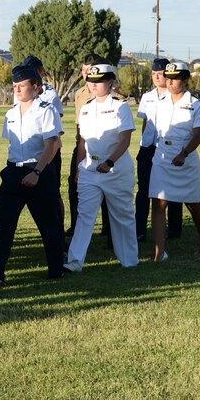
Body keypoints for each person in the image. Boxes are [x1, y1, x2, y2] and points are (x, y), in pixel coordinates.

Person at [0, 64, 67, 288]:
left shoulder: (46, 110)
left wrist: (37, 172)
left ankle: (56, 270)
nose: (17, 90)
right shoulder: (11, 113)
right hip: (14, 172)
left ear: (36, 86)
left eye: (22, 85)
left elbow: (52, 145)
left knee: (49, 224)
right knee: (4, 226)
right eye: (14, 86)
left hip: (39, 171)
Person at [64, 64, 139, 272]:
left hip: (115, 170)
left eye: (98, 81)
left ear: (110, 82)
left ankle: (129, 260)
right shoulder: (86, 108)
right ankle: (75, 260)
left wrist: (110, 162)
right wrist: (79, 166)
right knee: (85, 215)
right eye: (91, 80)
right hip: (90, 168)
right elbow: (83, 141)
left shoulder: (121, 107)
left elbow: (125, 140)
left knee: (122, 215)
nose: (93, 85)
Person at [149, 60, 200, 261]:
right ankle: (160, 251)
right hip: (162, 155)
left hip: (186, 156)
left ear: (185, 80)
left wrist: (183, 154)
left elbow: (198, 135)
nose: (170, 81)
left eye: (175, 78)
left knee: (192, 203)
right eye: (168, 77)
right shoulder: (160, 101)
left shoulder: (196, 104)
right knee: (159, 201)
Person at [135, 58, 184, 243]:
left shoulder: (174, 97)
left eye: (161, 73)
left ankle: (174, 230)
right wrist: (144, 142)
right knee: (144, 190)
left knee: (171, 189)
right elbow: (146, 123)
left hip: (167, 147)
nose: (157, 76)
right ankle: (140, 229)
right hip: (148, 147)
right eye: (154, 73)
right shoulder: (147, 97)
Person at [66, 54, 112, 247]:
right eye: (84, 69)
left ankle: (110, 231)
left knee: (106, 191)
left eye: (89, 69)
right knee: (75, 184)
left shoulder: (110, 95)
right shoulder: (79, 94)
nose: (85, 73)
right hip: (82, 143)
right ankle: (77, 225)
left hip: (104, 147)